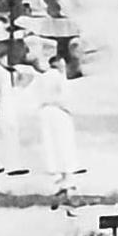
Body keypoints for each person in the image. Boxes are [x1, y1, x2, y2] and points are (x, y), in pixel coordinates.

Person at [35, 53, 80, 193]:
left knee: (51, 143)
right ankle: (67, 177)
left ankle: (56, 174)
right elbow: (66, 98)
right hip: (59, 111)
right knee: (65, 143)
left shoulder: (43, 78)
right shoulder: (60, 78)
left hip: (45, 111)